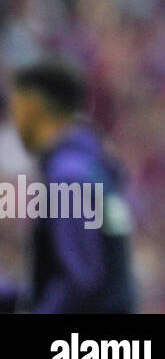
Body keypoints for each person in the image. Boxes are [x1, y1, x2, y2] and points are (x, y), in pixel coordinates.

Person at [0, 60, 136, 313]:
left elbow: (79, 277)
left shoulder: (68, 176)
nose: (14, 122)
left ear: (34, 107)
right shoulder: (91, 166)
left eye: (16, 108)